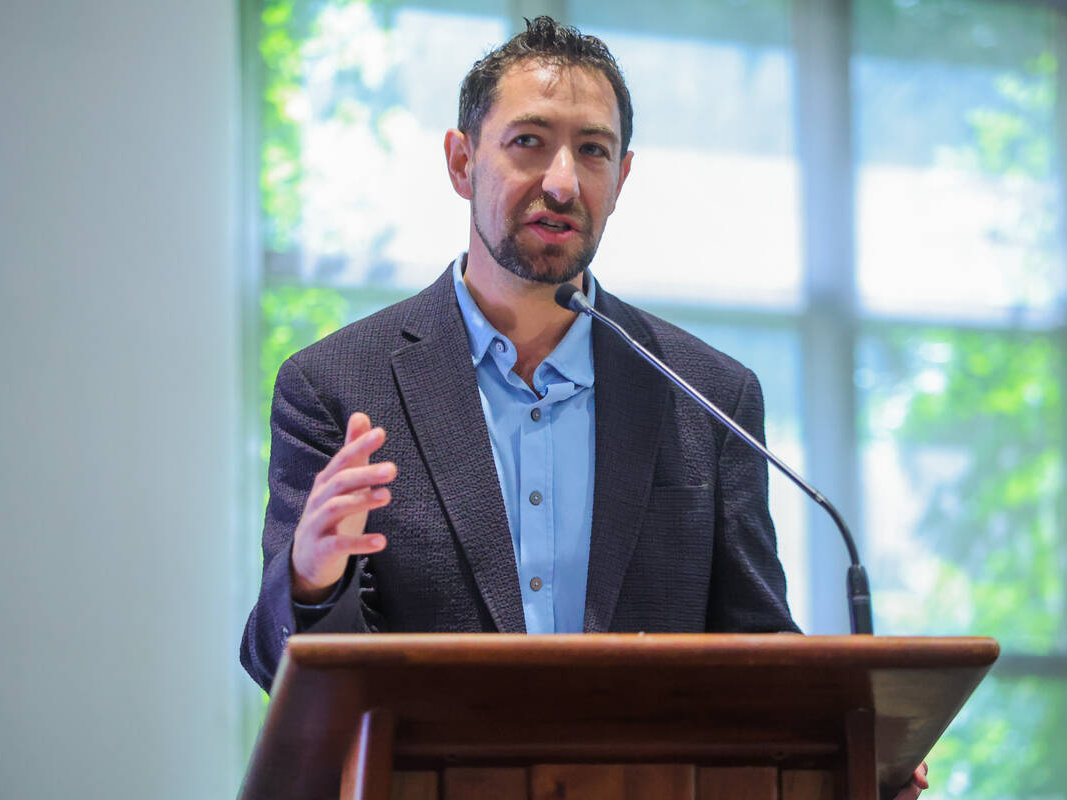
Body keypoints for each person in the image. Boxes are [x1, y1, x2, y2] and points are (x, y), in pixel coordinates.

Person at [240, 17, 927, 799]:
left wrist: (844, 757)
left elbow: (754, 652)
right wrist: (311, 581)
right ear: (462, 163)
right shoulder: (336, 385)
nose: (562, 181)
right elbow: (282, 667)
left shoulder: (708, 395)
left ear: (623, 178)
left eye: (593, 150)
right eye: (528, 142)